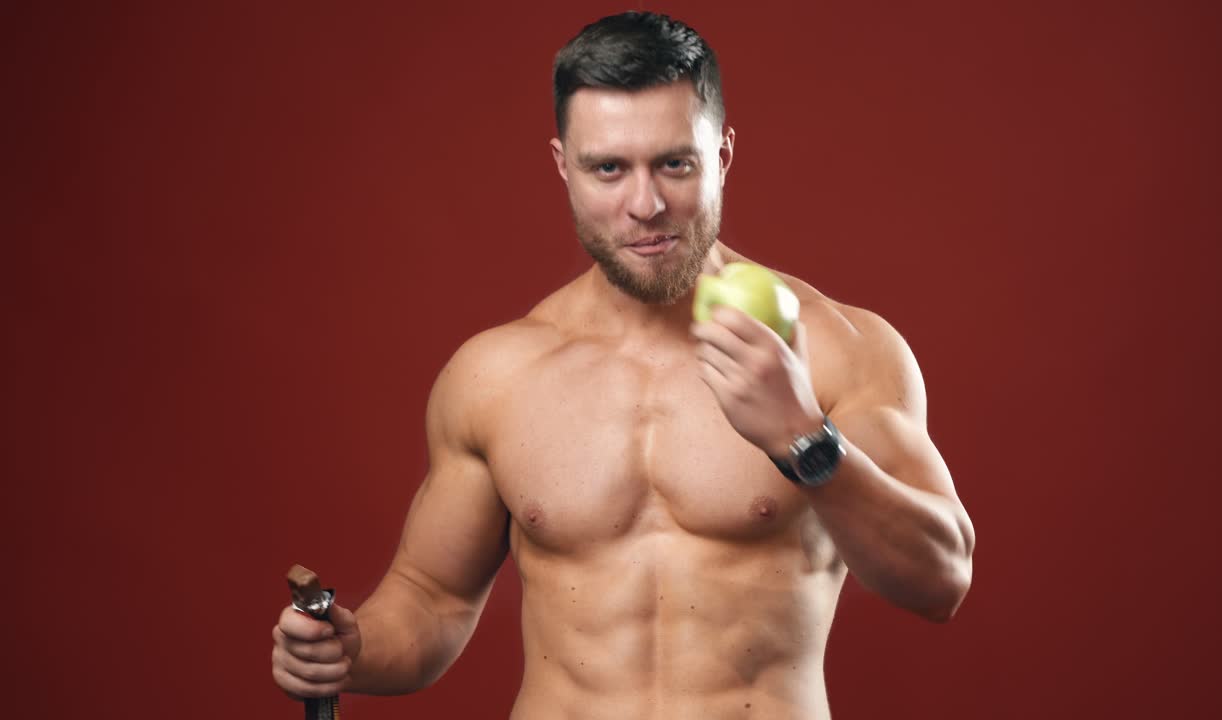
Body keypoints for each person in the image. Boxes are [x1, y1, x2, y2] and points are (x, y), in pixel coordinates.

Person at [271, 11, 974, 718]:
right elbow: (433, 600)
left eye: (675, 163)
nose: (646, 205)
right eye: (609, 168)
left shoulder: (837, 349)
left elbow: (941, 579)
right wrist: (351, 649)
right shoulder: (497, 375)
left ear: (722, 156)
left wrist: (804, 438)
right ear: (563, 166)